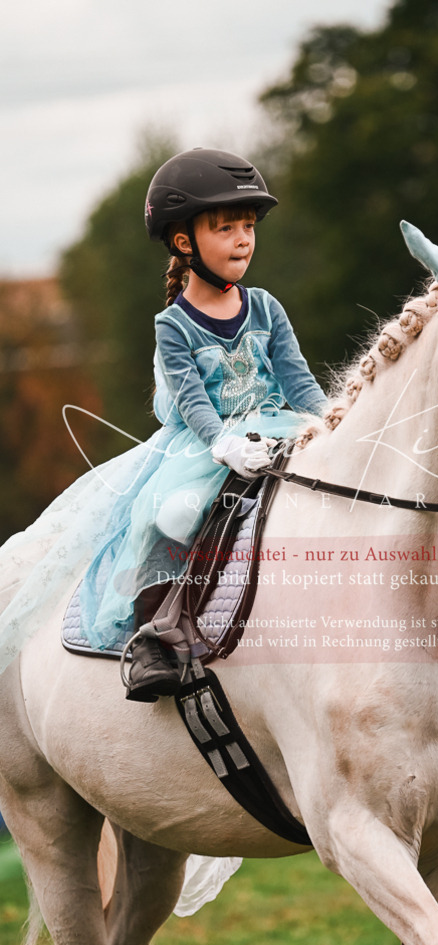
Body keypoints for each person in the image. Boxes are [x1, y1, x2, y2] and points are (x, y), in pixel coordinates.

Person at [0, 149, 327, 702]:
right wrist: (224, 444)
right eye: (226, 228)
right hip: (207, 442)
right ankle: (157, 634)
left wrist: (329, 425)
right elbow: (193, 400)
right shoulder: (173, 325)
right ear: (184, 243)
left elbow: (299, 382)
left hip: (280, 424)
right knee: (171, 512)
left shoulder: (267, 307)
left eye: (248, 227)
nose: (244, 239)